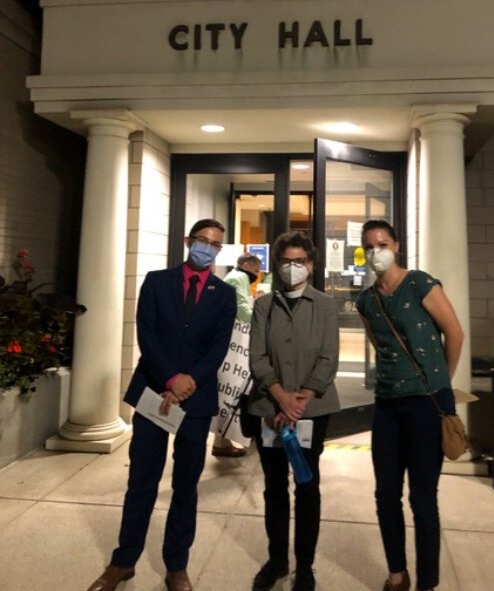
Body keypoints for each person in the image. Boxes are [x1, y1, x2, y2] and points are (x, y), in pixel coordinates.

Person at [86, 219, 237, 591]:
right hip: (154, 391)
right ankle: (123, 561)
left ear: (220, 250)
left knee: (186, 485)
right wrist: (171, 379)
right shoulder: (157, 281)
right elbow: (146, 333)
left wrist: (188, 383)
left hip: (196, 399)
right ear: (188, 242)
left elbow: (219, 347)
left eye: (214, 244)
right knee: (142, 480)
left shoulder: (223, 293)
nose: (206, 248)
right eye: (201, 240)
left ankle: (176, 565)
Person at [356, 220, 464, 591]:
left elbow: (455, 331)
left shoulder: (420, 283)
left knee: (422, 497)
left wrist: (441, 381)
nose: (376, 252)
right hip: (387, 404)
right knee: (386, 493)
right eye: (368, 247)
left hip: (425, 404)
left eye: (382, 244)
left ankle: (427, 583)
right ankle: (396, 573)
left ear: (397, 246)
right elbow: (380, 346)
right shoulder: (366, 300)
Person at [248, 231, 340, 591]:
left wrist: (300, 398)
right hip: (269, 407)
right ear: (277, 264)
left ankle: (305, 565)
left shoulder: (326, 305)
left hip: (311, 410)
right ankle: (276, 560)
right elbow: (256, 355)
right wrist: (279, 396)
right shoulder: (263, 306)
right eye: (286, 260)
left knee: (307, 484)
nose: (292, 267)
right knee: (274, 487)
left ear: (311, 265)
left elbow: (329, 357)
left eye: (300, 260)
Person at [212, 251, 262, 458]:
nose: (257, 275)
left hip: (227, 340)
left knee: (226, 392)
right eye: (256, 270)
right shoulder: (239, 277)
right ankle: (222, 441)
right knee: (232, 390)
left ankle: (221, 440)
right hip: (233, 343)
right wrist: (261, 321)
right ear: (247, 264)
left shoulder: (232, 278)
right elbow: (241, 308)